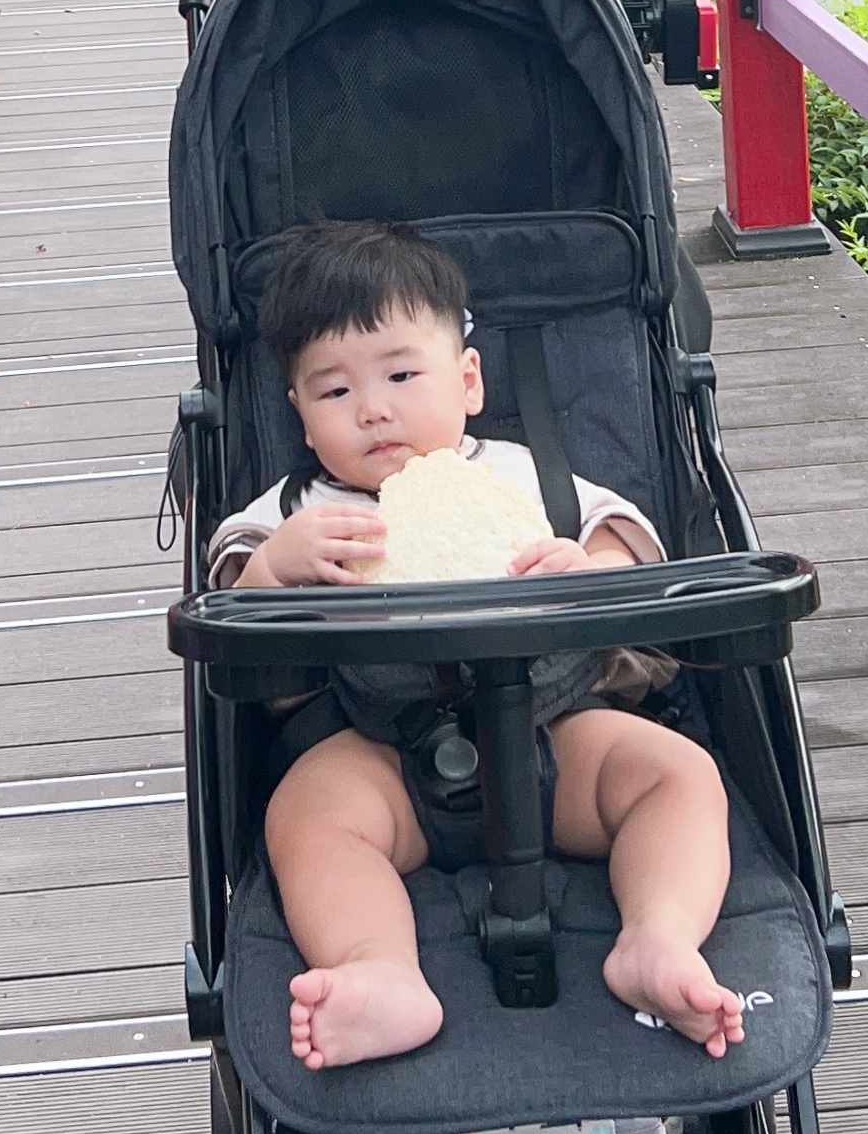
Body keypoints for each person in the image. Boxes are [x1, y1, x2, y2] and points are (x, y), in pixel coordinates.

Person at [208, 219, 747, 1074]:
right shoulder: (299, 511)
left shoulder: (520, 474)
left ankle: (659, 936)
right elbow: (231, 614)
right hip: (387, 753)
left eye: (401, 375)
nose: (373, 408)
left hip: (555, 733)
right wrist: (274, 569)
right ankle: (379, 970)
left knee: (677, 775)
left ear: (467, 381)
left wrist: (589, 568)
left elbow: (627, 538)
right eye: (334, 391)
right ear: (302, 420)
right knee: (307, 815)